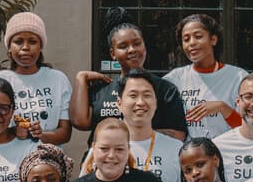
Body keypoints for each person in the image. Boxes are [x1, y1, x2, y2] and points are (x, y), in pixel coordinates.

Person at [71, 8, 189, 139]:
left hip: (149, 158)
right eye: (123, 46)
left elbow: (179, 134)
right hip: (106, 158)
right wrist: (81, 78)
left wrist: (134, 135)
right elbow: (80, 122)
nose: (132, 50)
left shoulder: (165, 89)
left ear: (144, 47)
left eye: (137, 43)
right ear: (113, 53)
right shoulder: (102, 90)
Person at [0, 11, 73, 145]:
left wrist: (40, 135)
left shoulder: (58, 79)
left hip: (47, 160)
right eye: (18, 41)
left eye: (32, 41)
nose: (25, 47)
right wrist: (13, 132)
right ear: (9, 47)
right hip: (8, 160)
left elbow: (65, 133)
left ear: (41, 47)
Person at [90, 70, 184, 182]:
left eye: (147, 95)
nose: (140, 102)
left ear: (156, 102)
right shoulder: (101, 150)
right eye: (133, 95)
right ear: (119, 103)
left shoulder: (176, 149)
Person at [165, 13, 249, 139]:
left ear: (213, 40)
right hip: (188, 154)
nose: (191, 43)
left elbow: (250, 128)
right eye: (186, 39)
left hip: (227, 153)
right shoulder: (175, 79)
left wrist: (222, 108)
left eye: (198, 36)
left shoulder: (238, 77)